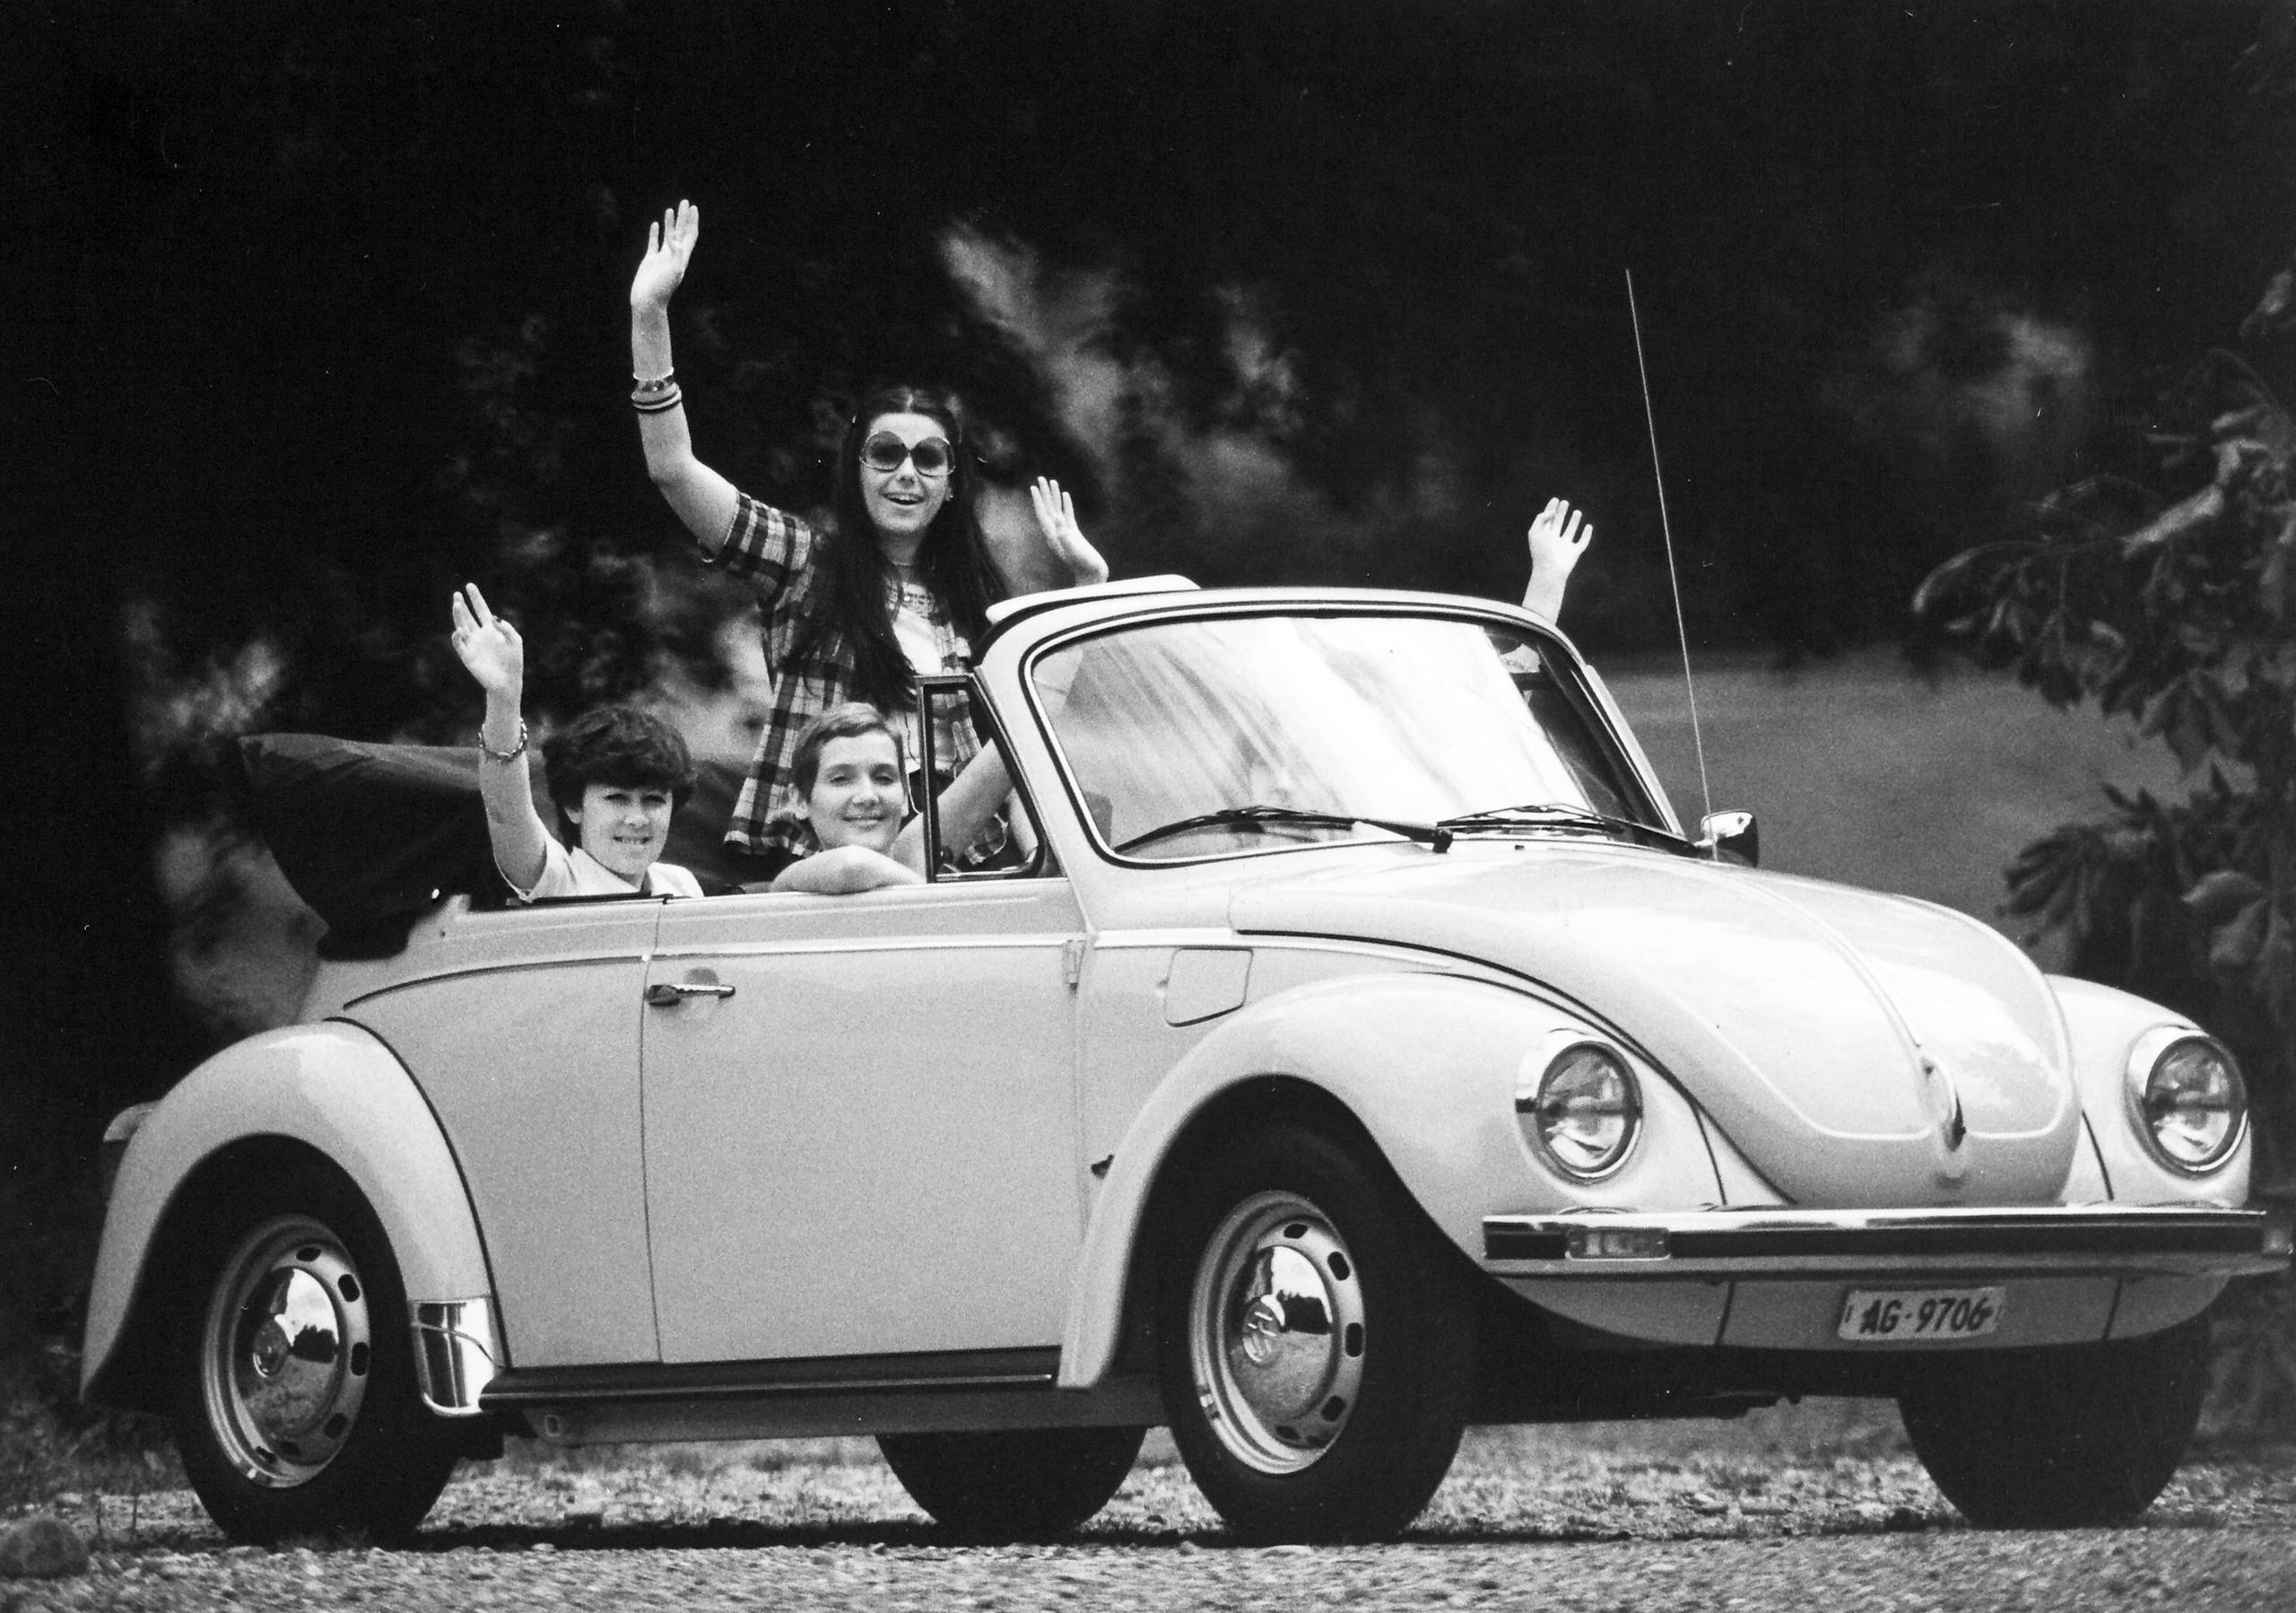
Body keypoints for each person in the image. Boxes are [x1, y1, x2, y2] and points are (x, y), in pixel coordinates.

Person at [628, 199, 1106, 876]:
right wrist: (649, 317)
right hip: (818, 867)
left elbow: (1010, 752)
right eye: (886, 453)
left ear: (950, 485)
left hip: (950, 869)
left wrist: (1088, 593)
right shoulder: (803, 562)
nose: (906, 474)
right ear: (855, 472)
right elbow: (673, 471)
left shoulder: (976, 604)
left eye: (928, 459)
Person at [448, 583, 704, 902]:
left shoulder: (682, 885)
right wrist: (504, 697)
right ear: (573, 806)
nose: (637, 818)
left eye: (653, 800)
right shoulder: (557, 881)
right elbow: (505, 809)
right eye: (616, 798)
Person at [769, 703, 1015, 895]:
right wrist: (936, 898)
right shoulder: (792, 884)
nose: (867, 796)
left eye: (884, 778)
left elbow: (1012, 737)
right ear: (800, 800)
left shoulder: (911, 852)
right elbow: (852, 865)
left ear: (906, 795)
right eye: (841, 779)